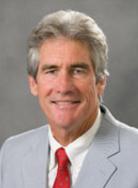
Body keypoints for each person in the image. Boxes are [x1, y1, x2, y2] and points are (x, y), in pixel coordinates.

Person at [0, 9, 138, 188]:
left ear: (100, 82)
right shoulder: (12, 153)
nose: (64, 87)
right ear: (34, 83)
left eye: (78, 71)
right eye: (51, 71)